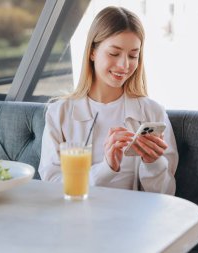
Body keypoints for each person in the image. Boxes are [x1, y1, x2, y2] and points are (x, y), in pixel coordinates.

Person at [38, 6, 179, 195]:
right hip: (76, 218)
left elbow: (166, 194)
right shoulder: (59, 113)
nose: (124, 65)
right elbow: (52, 184)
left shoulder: (153, 113)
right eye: (114, 53)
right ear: (93, 52)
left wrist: (153, 164)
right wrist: (107, 167)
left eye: (133, 55)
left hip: (133, 219)